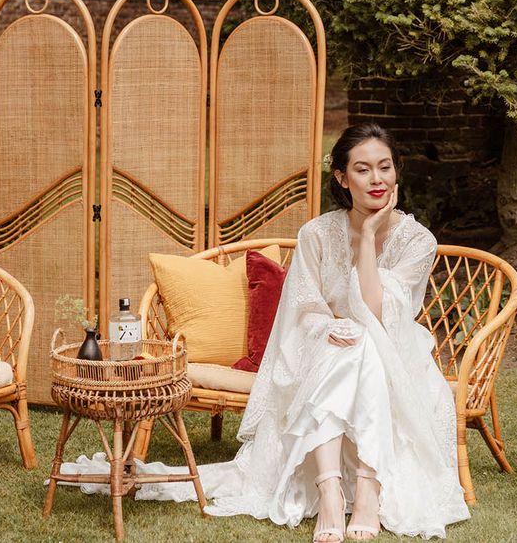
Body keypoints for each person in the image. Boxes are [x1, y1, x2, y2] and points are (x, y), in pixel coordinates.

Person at [63, 123, 470, 540]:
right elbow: (304, 310)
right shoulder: (316, 234)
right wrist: (328, 328)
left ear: (396, 171)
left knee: (363, 342)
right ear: (341, 178)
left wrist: (366, 237)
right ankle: (333, 494)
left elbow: (381, 315)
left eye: (385, 167)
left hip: (393, 355)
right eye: (363, 170)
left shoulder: (417, 240)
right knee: (349, 345)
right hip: (324, 350)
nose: (377, 179)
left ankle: (364, 490)